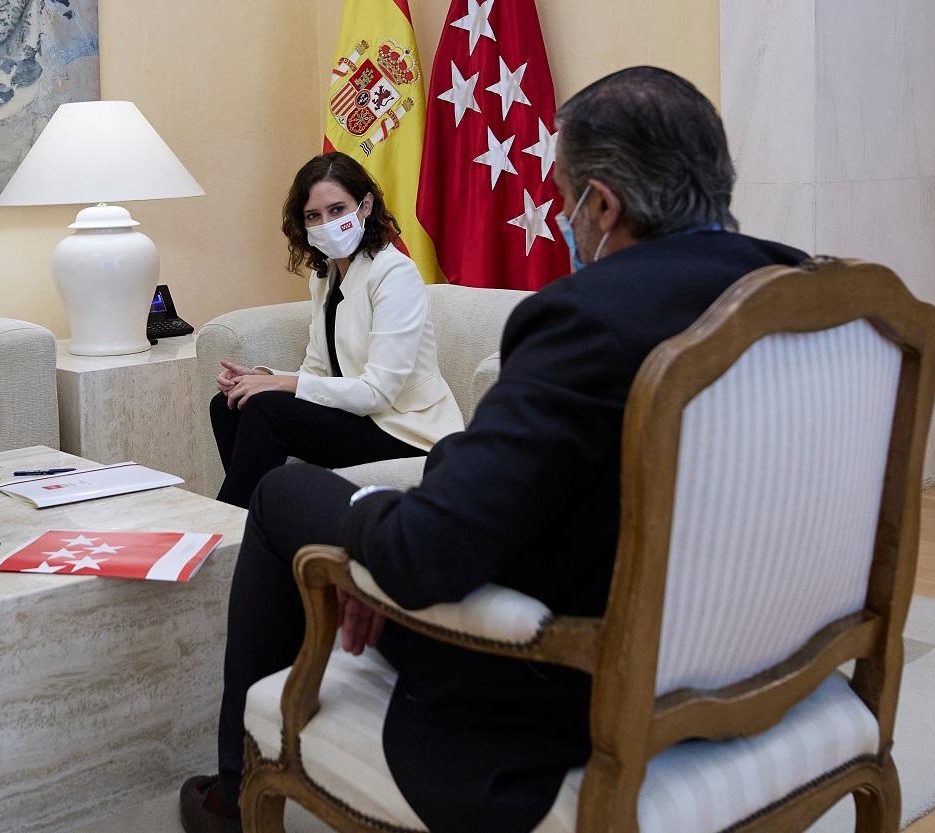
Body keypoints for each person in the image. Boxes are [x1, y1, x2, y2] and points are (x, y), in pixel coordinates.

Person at [179, 67, 809, 833]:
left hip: (563, 685)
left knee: (285, 498)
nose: (563, 218)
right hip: (765, 649)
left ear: (603, 203)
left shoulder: (584, 319)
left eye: (564, 195)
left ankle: (234, 794)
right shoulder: (808, 296)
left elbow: (425, 556)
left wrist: (373, 542)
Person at [209, 152, 463, 508]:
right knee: (230, 404)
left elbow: (378, 393)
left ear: (365, 206)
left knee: (267, 411)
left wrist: (279, 385)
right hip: (358, 419)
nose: (326, 222)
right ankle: (261, 517)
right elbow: (315, 372)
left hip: (405, 431)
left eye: (337, 209)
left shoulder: (394, 273)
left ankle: (225, 525)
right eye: (314, 215)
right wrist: (262, 376)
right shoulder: (325, 276)